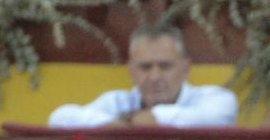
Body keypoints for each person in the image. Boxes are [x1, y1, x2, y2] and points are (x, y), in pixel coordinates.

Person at [46, 23, 239, 127]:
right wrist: (119, 123)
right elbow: (59, 118)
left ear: (185, 69)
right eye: (145, 67)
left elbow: (214, 117)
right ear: (131, 72)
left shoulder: (215, 99)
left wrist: (145, 120)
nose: (155, 77)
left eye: (165, 66)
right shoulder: (117, 102)